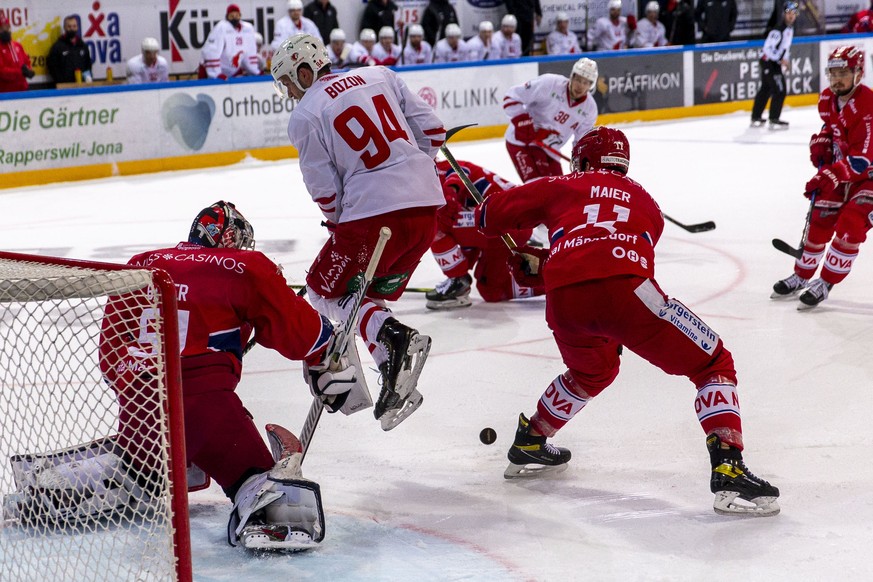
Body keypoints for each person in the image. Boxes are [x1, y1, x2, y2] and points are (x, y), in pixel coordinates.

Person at [475, 126, 780, 516]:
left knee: (591, 373)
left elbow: (490, 216)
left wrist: (538, 259)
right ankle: (729, 466)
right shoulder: (649, 205)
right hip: (629, 294)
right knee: (712, 362)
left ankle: (532, 439)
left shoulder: (560, 184)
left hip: (564, 302)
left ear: (583, 160)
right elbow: (613, 257)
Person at [99, 201, 367, 550]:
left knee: (150, 454)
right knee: (269, 494)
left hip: (137, 409)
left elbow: (111, 350)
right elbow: (298, 331)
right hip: (204, 407)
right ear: (228, 236)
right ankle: (251, 497)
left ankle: (140, 469)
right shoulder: (242, 267)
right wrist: (327, 348)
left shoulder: (143, 263)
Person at [271, 34, 446, 429]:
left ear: (304, 70)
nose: (289, 92)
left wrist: (341, 226)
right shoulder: (380, 74)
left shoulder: (305, 115)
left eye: (288, 82)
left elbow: (326, 191)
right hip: (425, 213)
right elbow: (434, 133)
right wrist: (408, 174)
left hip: (373, 219)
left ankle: (393, 342)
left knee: (321, 290)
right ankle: (392, 368)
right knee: (361, 295)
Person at [771, 46, 873, 309]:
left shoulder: (867, 105)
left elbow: (862, 159)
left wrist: (830, 174)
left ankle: (825, 282)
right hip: (843, 171)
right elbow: (832, 127)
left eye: (844, 73)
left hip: (868, 177)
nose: (837, 79)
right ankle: (802, 275)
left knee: (851, 225)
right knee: (820, 218)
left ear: (858, 73)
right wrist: (823, 143)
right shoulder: (827, 99)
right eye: (833, 73)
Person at [426, 159, 543, 309]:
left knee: (434, 223)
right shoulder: (428, 172)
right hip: (511, 226)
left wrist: (451, 190)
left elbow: (457, 174)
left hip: (509, 224)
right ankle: (556, 282)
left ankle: (458, 282)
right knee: (491, 291)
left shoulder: (439, 169)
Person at [503, 57, 599, 183]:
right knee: (536, 188)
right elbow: (512, 97)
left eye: (586, 82)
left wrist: (582, 163)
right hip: (521, 143)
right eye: (578, 79)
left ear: (591, 85)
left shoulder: (590, 109)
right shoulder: (550, 83)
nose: (580, 86)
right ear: (572, 76)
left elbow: (581, 142)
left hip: (550, 151)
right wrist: (522, 122)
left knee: (558, 192)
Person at [750, 2, 796, 129]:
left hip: (773, 62)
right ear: (784, 14)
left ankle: (756, 116)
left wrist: (785, 59)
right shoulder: (778, 30)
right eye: (789, 13)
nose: (791, 16)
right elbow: (767, 48)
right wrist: (780, 59)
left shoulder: (790, 29)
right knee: (780, 90)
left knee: (766, 88)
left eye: (793, 14)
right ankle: (774, 118)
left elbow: (785, 48)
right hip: (768, 61)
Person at [200, 4, 260, 79]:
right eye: (231, 16)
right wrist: (216, 74)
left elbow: (249, 52)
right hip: (211, 70)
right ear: (227, 16)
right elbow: (211, 51)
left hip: (233, 70)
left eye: (237, 15)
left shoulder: (248, 29)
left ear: (240, 16)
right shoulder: (220, 28)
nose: (234, 18)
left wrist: (255, 71)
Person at [47, 15, 92, 86]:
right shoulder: (57, 47)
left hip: (82, 85)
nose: (72, 29)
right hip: (65, 87)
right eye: (69, 26)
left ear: (77, 27)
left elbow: (88, 65)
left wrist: (88, 80)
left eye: (74, 26)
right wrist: (61, 82)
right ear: (65, 27)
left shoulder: (83, 46)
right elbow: (52, 67)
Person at [0, 12, 33, 93]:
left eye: (7, 27)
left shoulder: (17, 45)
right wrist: (20, 72)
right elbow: (1, 71)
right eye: (1, 28)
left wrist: (28, 70)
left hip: (23, 89)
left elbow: (26, 61)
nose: (5, 30)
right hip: (5, 92)